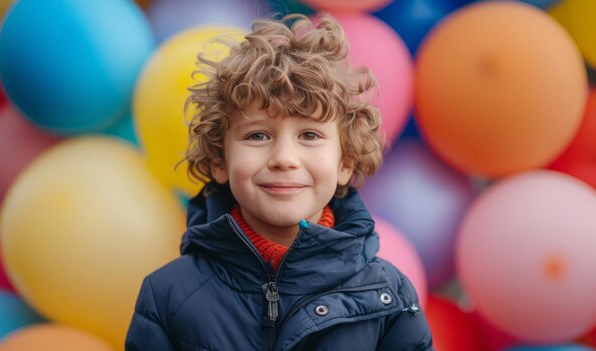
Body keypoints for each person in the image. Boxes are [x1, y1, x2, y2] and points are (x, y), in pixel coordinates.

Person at [125, 13, 433, 351]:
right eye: (257, 135)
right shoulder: (168, 295)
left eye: (310, 134)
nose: (284, 157)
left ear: (345, 162)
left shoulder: (389, 296)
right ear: (219, 161)